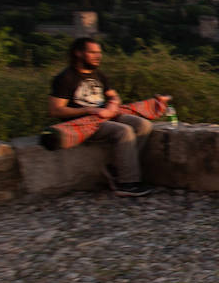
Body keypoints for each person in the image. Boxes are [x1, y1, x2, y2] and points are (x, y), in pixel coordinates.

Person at [48, 38, 165, 198]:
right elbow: (56, 110)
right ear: (78, 53)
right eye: (92, 52)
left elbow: (114, 96)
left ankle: (118, 168)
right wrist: (90, 110)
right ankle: (126, 183)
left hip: (103, 117)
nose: (98, 56)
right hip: (82, 124)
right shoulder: (66, 78)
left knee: (143, 125)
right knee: (123, 131)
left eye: (99, 52)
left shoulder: (98, 75)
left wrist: (112, 105)